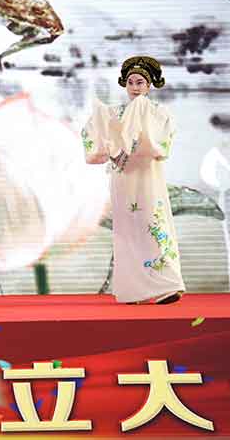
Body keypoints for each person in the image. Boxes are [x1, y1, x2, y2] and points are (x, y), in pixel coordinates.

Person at [82, 56, 185, 304]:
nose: (135, 87)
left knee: (154, 225)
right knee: (127, 233)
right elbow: (94, 137)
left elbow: (161, 146)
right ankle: (133, 290)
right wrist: (111, 142)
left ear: (149, 85)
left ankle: (167, 287)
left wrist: (131, 141)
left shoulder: (159, 113)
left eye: (140, 82)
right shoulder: (114, 112)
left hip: (148, 177)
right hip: (123, 179)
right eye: (131, 82)